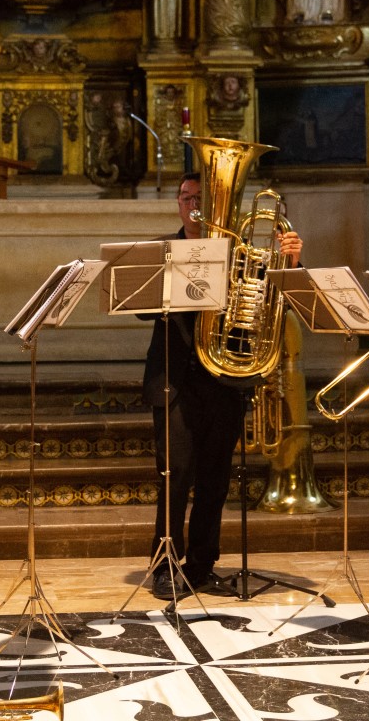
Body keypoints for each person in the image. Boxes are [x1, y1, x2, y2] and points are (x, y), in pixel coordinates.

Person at [143, 173, 301, 599]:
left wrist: (290, 260)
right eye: (185, 197)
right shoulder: (163, 252)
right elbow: (141, 310)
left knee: (215, 480)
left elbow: (279, 294)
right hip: (175, 382)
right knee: (175, 479)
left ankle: (201, 564)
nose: (192, 204)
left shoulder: (243, 255)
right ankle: (165, 565)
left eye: (200, 198)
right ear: (177, 204)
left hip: (226, 380)